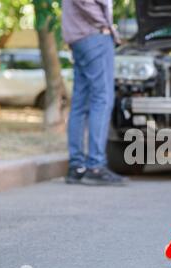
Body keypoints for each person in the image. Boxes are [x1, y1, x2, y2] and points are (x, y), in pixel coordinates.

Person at [62, 0, 128, 186]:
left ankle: (76, 167)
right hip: (94, 37)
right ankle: (95, 166)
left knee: (80, 104)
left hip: (79, 39)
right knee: (102, 99)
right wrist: (104, 25)